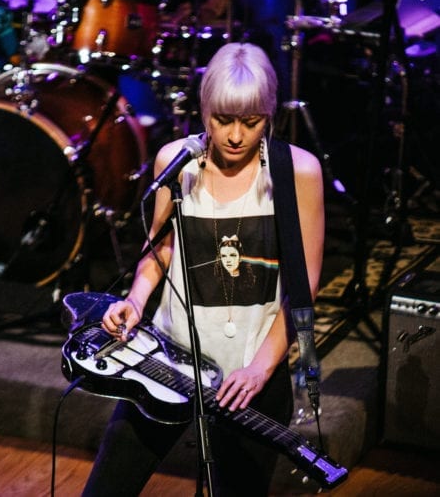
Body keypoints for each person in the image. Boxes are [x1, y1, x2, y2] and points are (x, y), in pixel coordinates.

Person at [84, 41, 325, 496]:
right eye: (223, 120)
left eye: (250, 122)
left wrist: (259, 369)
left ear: (269, 114)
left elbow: (304, 286)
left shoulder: (298, 172)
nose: (235, 135)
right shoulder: (176, 163)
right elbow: (161, 253)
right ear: (204, 111)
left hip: (251, 377)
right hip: (167, 363)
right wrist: (135, 301)